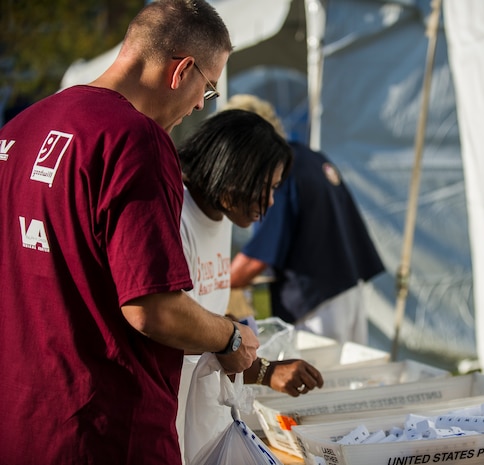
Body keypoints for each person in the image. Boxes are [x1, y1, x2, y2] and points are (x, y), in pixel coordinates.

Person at [0, 2, 259, 464]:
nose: (202, 104)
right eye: (209, 86)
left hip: (19, 423)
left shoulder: (18, 130)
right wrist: (229, 337)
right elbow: (150, 307)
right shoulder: (133, 138)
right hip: (105, 431)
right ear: (182, 70)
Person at [176, 108, 324, 459]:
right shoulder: (177, 218)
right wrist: (261, 366)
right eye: (266, 188)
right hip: (171, 420)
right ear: (233, 173)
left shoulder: (222, 217)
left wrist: (266, 370)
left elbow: (209, 322)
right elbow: (171, 326)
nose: (270, 202)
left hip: (201, 416)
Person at [226, 94, 386, 345]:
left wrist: (217, 281)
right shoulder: (314, 158)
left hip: (316, 301)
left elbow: (259, 256)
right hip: (348, 289)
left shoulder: (280, 170)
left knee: (320, 377)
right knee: (354, 374)